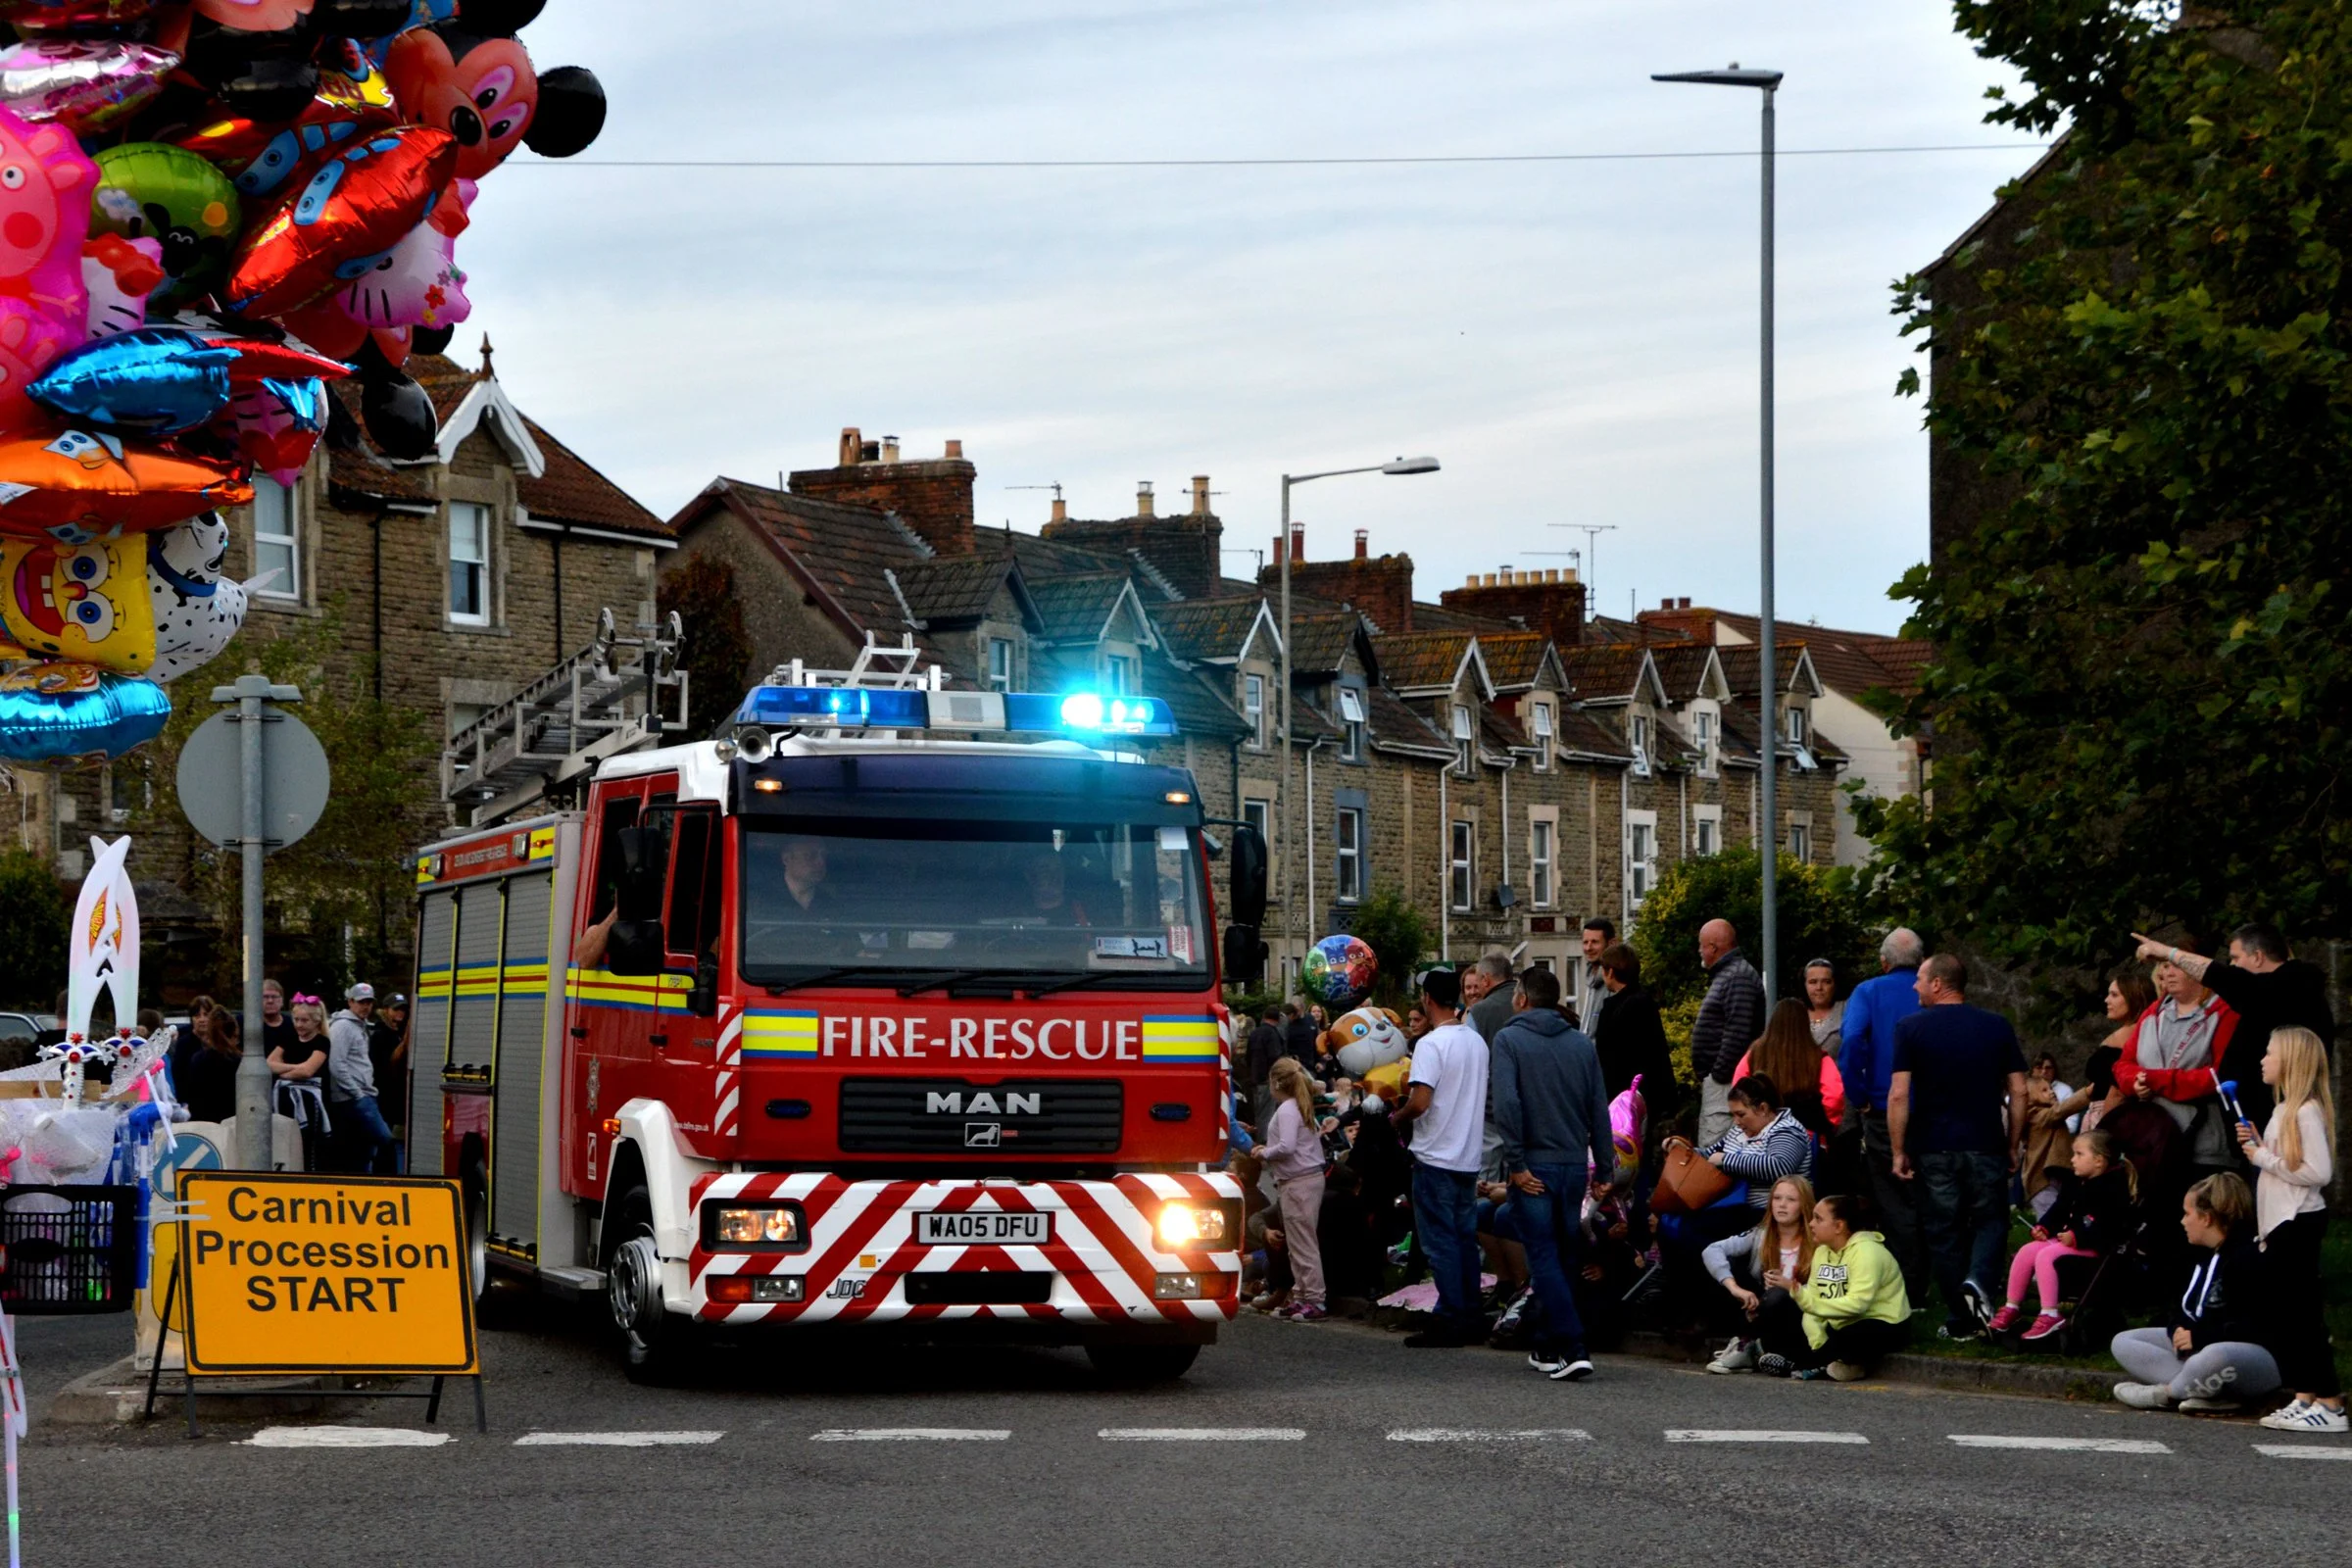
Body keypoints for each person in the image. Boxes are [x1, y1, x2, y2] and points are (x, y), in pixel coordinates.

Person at [1887, 953, 2028, 1340]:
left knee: (1943, 1229)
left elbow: (1899, 1095)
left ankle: (1960, 1315)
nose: (1914, 986)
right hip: (1986, 1142)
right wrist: (2013, 1144)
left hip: (1934, 1146)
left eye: (1919, 978)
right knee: (1991, 1221)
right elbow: (2018, 1090)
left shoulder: (1910, 1028)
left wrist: (1899, 1150)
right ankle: (1979, 1282)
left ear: (1937, 983)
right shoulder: (1997, 1026)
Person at [1488, 964, 1613, 1382]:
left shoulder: (1509, 1039)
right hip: (1574, 1163)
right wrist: (1606, 1166)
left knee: (1543, 1257)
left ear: (1522, 997)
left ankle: (1573, 1346)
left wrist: (1517, 1164)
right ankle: (1545, 1342)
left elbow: (1507, 1104)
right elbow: (1599, 1106)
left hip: (1535, 1166)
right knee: (1564, 1254)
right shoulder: (1581, 1044)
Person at [2237, 1027, 2344, 1433]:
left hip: (2298, 1222)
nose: (2262, 1060)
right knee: (2286, 1315)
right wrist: (2260, 1145)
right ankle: (2305, 1395)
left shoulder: (2305, 1111)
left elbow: (2318, 1171)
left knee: (2302, 1315)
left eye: (2270, 1053)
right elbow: (2288, 1162)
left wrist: (2263, 1156)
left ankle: (2331, 1403)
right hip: (2280, 1223)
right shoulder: (2284, 1110)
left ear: (2292, 1062)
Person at [2134, 923, 2335, 1128]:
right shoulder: (2268, 994)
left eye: (2235, 958)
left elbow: (2225, 978)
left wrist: (2168, 953)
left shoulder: (2291, 989)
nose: (2231, 965)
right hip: (2262, 1128)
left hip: (2283, 1127)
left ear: (2257, 957)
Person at [2111, 1172, 2280, 1413]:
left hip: (2252, 1359)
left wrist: (2199, 1337)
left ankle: (2167, 1394)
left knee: (2214, 1354)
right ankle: (2207, 1394)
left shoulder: (2248, 1258)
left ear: (2207, 1218)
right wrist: (2178, 1329)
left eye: (2187, 1213)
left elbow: (2255, 1327)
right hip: (2203, 1353)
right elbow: (2182, 1310)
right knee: (2124, 1341)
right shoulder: (2202, 1256)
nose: (2183, 1221)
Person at [1392, 967, 1490, 1348]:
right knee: (1464, 1237)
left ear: (1428, 1000)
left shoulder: (1431, 1045)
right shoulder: (1476, 1042)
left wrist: (1397, 1118)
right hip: (1467, 1152)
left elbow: (1421, 1100)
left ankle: (1450, 1316)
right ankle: (1470, 1313)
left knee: (1439, 1241)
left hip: (1436, 1153)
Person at [1984, 1129, 2138, 1342]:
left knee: (2046, 1256)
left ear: (2099, 1161)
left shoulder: (2112, 1188)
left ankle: (2050, 1313)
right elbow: (2060, 1209)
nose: (2072, 1159)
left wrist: (2078, 1236)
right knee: (2027, 1250)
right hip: (2071, 1241)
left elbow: (2107, 1225)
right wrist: (2044, 1227)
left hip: (2096, 1248)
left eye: (2079, 1154)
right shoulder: (2075, 1182)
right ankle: (2012, 1306)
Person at [2127, 956, 2239, 1180]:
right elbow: (2123, 1064)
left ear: (2198, 969)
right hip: (2153, 1140)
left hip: (2203, 1143)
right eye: (2166, 966)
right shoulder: (2152, 1013)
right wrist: (2135, 1083)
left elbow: (2218, 1075)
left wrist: (2156, 1080)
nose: (2167, 973)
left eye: (2176, 967)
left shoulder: (2224, 1012)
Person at [1786, 1193, 1912, 1380]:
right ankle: (1824, 1362)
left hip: (1882, 1323)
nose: (1811, 1224)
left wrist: (1807, 1302)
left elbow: (1857, 1305)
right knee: (1782, 1309)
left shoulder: (1868, 1253)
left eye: (1818, 1219)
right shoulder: (1821, 1252)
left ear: (1839, 1226)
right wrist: (1817, 1342)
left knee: (1854, 1336)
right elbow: (1813, 1298)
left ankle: (1810, 1362)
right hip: (1838, 1321)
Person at [1703, 1174, 1817, 1375]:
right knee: (1726, 1270)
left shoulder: (1817, 1242)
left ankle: (1753, 1347)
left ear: (1804, 1205)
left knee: (1776, 1296)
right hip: (1760, 1306)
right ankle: (1747, 1346)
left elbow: (1822, 1293)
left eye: (1791, 1200)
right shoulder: (1761, 1234)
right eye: (1777, 1198)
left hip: (1798, 1311)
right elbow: (1712, 1250)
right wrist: (1736, 1289)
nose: (1782, 1205)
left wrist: (1790, 1285)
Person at [1262, 1056, 1329, 1322]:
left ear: (1276, 1082)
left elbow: (1286, 1147)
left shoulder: (1287, 1110)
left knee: (1304, 1243)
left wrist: (1263, 1153)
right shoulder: (1296, 1106)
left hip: (1298, 1181)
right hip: (1303, 1180)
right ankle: (1301, 1294)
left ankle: (1314, 1298)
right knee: (1299, 1242)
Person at [2050, 970, 2155, 1136]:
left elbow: (2117, 1092)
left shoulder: (2133, 1037)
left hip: (2112, 1117)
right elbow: (2096, 1087)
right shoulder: (2133, 1033)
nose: (2107, 1000)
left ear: (2134, 998)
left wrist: (2103, 1131)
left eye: (2114, 995)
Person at [1691, 919, 1766, 1146]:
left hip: (1726, 1084)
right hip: (1724, 1080)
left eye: (1702, 946)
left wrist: (1718, 1074)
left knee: (1715, 1149)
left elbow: (1737, 1032)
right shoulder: (1731, 974)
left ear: (1713, 947)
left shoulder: (1737, 976)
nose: (1700, 951)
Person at [1699, 1074, 1816, 1212]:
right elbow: (1710, 1155)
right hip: (1733, 1206)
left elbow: (1780, 1166)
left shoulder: (1787, 1131)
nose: (1736, 1121)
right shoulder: (1738, 1131)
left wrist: (1726, 1160)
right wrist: (1685, 1151)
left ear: (1763, 1109)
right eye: (1733, 1115)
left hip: (1771, 1213)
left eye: (1741, 1114)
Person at [1736, 999, 1845, 1141]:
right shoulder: (1818, 1057)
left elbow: (1738, 1090)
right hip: (1807, 1136)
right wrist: (1829, 1126)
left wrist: (1750, 1123)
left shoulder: (1754, 1055)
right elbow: (1834, 1096)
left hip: (1761, 1137)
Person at [1589, 942, 1677, 1109]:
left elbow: (1608, 1060)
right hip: (1653, 1095)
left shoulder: (1614, 1010)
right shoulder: (1646, 1001)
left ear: (1611, 972)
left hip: (1623, 1099)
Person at [328, 983, 396, 1175]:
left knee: (363, 1149)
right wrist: (357, 1093)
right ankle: (390, 1184)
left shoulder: (360, 1026)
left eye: (369, 1002)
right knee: (385, 1139)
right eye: (361, 1002)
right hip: (354, 1097)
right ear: (350, 1002)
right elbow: (336, 1064)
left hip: (362, 1094)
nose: (366, 1007)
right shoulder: (343, 1027)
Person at [270, 996, 333, 1169]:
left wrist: (283, 1071)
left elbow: (308, 1071)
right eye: (296, 1020)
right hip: (283, 1098)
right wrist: (294, 1068)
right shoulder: (288, 1038)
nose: (299, 1024)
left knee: (307, 1145)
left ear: (316, 1021)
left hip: (309, 1101)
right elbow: (269, 1064)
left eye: (304, 1020)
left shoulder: (322, 1042)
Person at [2018, 1054, 2077, 1202]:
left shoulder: (2063, 1092)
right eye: (2044, 1091)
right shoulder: (2038, 1116)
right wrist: (2088, 1093)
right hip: (2041, 1180)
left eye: (2050, 1089)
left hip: (2056, 1171)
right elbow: (2060, 1111)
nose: (2051, 1092)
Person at [179, 1007, 244, 1125]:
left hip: (204, 1128)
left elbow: (192, 1097)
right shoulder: (238, 1061)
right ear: (233, 1035)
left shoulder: (197, 1059)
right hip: (232, 1125)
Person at [372, 992, 412, 1151]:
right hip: (385, 1098)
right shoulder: (380, 1035)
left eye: (403, 1009)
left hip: (397, 1100)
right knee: (387, 1142)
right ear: (386, 1010)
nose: (400, 1013)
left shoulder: (398, 1033)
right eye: (396, 1009)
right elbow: (383, 1068)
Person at [1020, 849, 1090, 924]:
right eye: (1045, 870)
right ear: (1029, 876)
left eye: (1058, 869)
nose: (1055, 876)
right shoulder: (1015, 914)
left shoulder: (1089, 910)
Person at [1244, 1006, 1285, 1135]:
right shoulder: (1273, 1034)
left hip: (1254, 1077)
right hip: (1268, 1078)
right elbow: (1275, 1056)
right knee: (1267, 1113)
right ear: (1277, 1019)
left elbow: (1248, 1056)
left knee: (1258, 1110)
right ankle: (1265, 1141)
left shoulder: (1255, 1033)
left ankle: (1257, 1136)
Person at [1462, 953, 1516, 1043]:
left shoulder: (1478, 1012)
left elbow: (1468, 1051)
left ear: (1485, 980)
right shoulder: (1530, 1000)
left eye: (1477, 983)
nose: (1474, 991)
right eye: (1468, 987)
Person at [1580, 917, 1616, 1030]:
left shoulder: (1615, 982)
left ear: (1611, 943)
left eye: (1595, 942)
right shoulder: (1590, 978)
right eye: (1585, 942)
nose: (1588, 948)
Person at [1804, 958, 1844, 1057]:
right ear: (1805, 985)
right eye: (1813, 982)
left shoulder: (1847, 1010)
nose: (1819, 987)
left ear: (1834, 984)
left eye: (1826, 982)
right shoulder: (1795, 1014)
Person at [258, 977, 296, 1062]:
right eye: (265, 997)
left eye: (274, 997)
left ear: (282, 1001)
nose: (270, 1001)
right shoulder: (246, 1024)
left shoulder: (293, 1025)